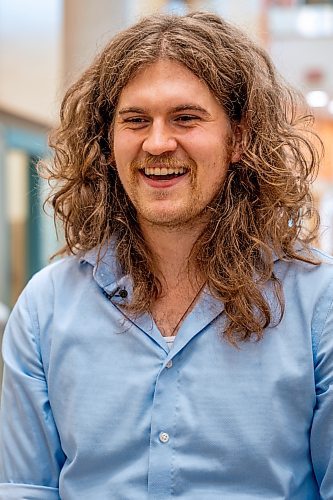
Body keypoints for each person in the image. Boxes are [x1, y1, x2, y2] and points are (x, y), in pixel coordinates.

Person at [1, 11, 332, 500]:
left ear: (239, 138)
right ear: (108, 145)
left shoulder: (317, 302)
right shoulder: (46, 308)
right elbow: (24, 489)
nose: (157, 143)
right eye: (135, 120)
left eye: (186, 118)